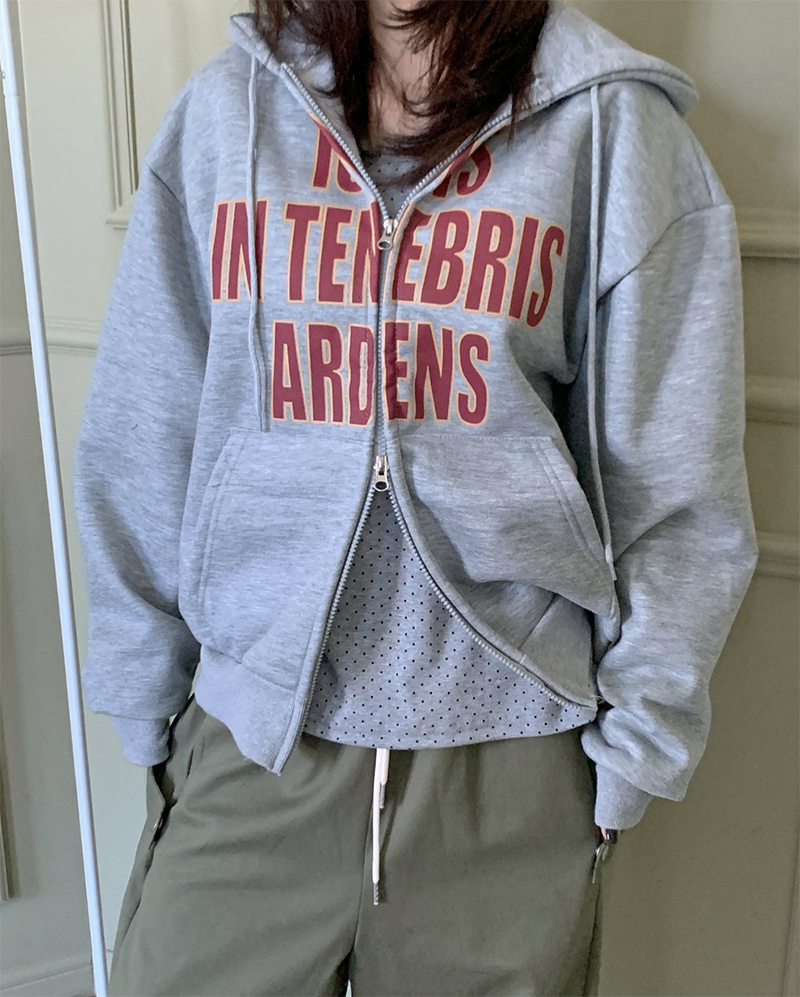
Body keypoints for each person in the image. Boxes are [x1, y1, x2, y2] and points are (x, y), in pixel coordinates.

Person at [72, 0, 759, 992]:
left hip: (508, 774)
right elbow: (148, 423)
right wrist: (145, 693)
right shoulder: (228, 112)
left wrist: (636, 752)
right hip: (253, 745)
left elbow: (673, 483)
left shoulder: (613, 130)